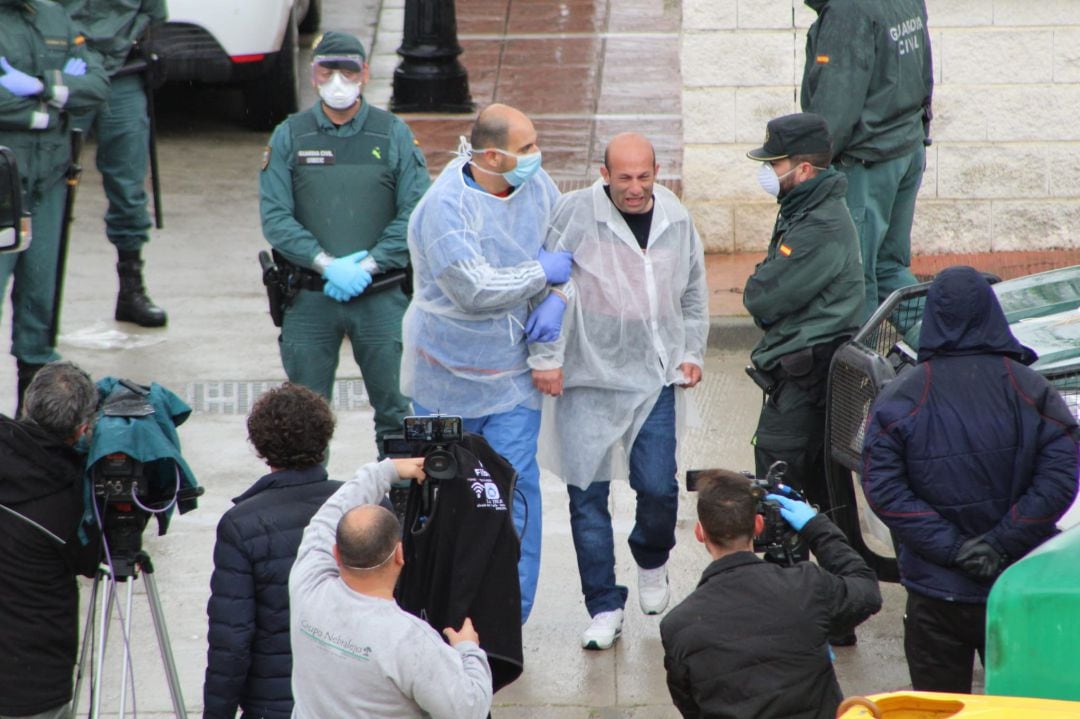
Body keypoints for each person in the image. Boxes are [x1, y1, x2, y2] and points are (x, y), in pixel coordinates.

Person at [862, 265, 1079, 694]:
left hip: (935, 593)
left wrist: (955, 549)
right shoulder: (1032, 390)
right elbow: (1060, 477)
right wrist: (1002, 543)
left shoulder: (900, 397)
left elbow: (884, 489)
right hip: (1017, 585)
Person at [529, 132, 708, 649]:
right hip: (586, 376)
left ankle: (652, 558)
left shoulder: (676, 220)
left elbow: (694, 291)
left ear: (658, 172)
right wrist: (546, 359)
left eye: (644, 177)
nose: (635, 189)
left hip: (654, 374)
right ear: (603, 173)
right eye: (624, 177)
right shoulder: (575, 215)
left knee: (657, 487)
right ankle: (603, 604)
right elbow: (547, 289)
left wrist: (691, 352)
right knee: (587, 498)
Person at [401, 102, 568, 624]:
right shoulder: (444, 209)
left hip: (512, 381)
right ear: (492, 156)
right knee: (440, 495)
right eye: (527, 148)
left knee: (514, 493)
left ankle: (505, 619)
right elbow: (474, 289)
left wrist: (562, 293)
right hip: (442, 378)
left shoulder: (539, 190)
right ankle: (439, 610)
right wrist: (543, 275)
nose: (537, 156)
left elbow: (570, 252)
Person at [260, 31, 429, 450]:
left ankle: (402, 507)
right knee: (303, 418)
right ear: (313, 75)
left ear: (365, 73)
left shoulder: (393, 134)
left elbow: (416, 214)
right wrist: (324, 262)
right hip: (310, 296)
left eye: (348, 69)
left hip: (381, 296)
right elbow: (276, 218)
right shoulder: (290, 135)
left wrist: (368, 264)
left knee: (396, 412)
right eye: (327, 70)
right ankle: (302, 504)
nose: (338, 79)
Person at [659, 470, 882, 719]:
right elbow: (866, 591)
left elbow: (691, 705)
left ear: (700, 533)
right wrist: (817, 528)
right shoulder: (807, 586)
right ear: (758, 524)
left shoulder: (678, 626)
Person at [288, 457, 493, 718]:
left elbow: (326, 518)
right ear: (399, 555)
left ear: (336, 554)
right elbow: (468, 709)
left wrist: (385, 471)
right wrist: (469, 651)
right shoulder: (410, 640)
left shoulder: (308, 585)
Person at [742, 113, 863, 543]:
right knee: (797, 489)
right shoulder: (802, 208)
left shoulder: (819, 224)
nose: (767, 173)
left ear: (803, 169)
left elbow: (761, 296)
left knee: (781, 491)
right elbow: (769, 286)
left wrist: (766, 288)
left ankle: (794, 590)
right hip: (800, 370)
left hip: (807, 376)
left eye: (774, 164)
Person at [203, 383, 342, 719]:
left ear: (260, 445)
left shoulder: (242, 524)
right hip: (355, 699)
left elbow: (232, 641)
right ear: (324, 437)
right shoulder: (364, 506)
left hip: (276, 705)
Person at [0, 0, 108, 413]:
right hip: (3, 183)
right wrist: (49, 114)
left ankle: (31, 423)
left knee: (40, 297)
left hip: (49, 181)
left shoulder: (54, 16)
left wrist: (44, 85)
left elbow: (97, 83)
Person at [801, 0, 933, 320]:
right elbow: (924, 71)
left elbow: (835, 106)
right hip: (904, 148)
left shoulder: (847, 11)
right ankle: (950, 347)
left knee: (856, 280)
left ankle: (860, 367)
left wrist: (809, 172)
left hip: (866, 163)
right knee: (889, 269)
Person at [0, 360, 102, 719]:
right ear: (80, 431)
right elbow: (94, 559)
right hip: (33, 685)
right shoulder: (69, 501)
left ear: (27, 405)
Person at [60, 0, 169, 328]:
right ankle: (39, 299)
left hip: (121, 72)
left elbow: (154, 13)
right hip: (66, 73)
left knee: (128, 184)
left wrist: (133, 42)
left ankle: (131, 289)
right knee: (49, 187)